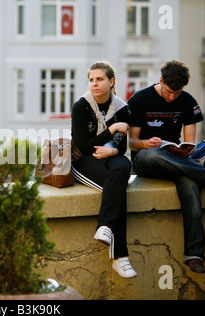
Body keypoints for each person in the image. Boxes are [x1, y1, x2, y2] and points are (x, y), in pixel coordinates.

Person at [128, 59, 205, 273]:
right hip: (146, 160)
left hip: (178, 160)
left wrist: (185, 150)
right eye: (169, 91)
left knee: (191, 187)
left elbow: (190, 143)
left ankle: (195, 254)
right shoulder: (140, 99)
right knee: (153, 153)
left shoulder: (188, 102)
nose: (172, 97)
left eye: (177, 93)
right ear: (161, 80)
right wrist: (146, 143)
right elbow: (132, 142)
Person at [71, 61, 137, 279]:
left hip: (110, 156)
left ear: (111, 82)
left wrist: (112, 151)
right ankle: (121, 257)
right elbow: (84, 145)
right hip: (84, 160)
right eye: (91, 80)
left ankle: (105, 227)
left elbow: (123, 147)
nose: (94, 84)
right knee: (117, 187)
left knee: (124, 166)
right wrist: (111, 130)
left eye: (99, 79)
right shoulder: (81, 107)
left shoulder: (122, 108)